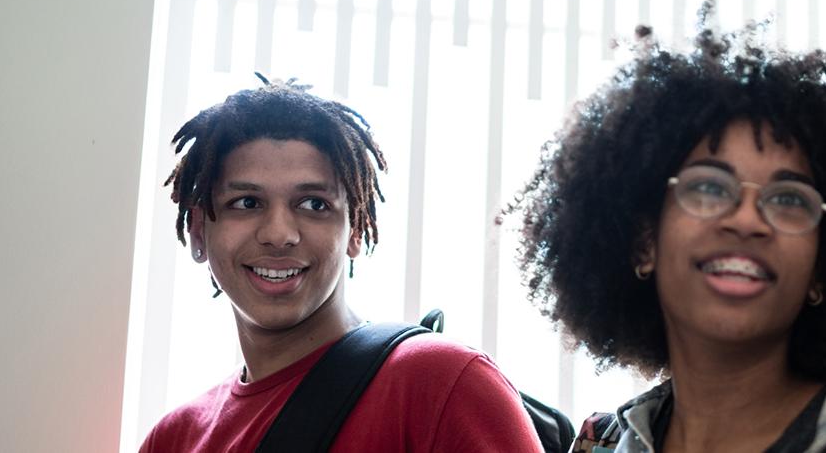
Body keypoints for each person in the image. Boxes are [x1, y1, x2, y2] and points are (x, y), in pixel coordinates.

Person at [507, 9, 826, 452]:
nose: (746, 219)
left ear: (821, 270)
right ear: (646, 244)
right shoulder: (605, 446)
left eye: (788, 199)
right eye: (707, 187)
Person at [140, 76, 543, 452]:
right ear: (197, 232)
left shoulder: (443, 385)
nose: (279, 234)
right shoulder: (174, 438)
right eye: (246, 203)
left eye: (314, 204)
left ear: (355, 230)